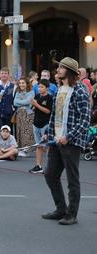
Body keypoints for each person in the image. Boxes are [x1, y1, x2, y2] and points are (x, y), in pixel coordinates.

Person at [42, 57, 90, 225]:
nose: (58, 70)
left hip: (71, 142)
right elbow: (55, 115)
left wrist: (68, 136)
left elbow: (85, 120)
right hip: (56, 140)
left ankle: (72, 214)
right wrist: (48, 133)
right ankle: (61, 209)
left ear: (68, 71)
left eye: (61, 68)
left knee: (72, 180)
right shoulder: (59, 89)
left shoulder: (80, 91)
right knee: (50, 174)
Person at [30, 79, 52, 174]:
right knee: (38, 145)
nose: (39, 88)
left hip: (45, 125)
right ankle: (38, 166)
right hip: (36, 124)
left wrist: (37, 105)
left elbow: (48, 111)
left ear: (47, 88)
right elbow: (35, 108)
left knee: (47, 146)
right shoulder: (37, 96)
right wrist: (33, 106)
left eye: (42, 87)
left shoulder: (50, 98)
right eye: (39, 87)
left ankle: (50, 167)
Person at [13, 77, 35, 152]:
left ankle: (27, 148)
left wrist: (20, 101)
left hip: (28, 114)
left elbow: (28, 102)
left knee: (27, 131)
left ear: (27, 84)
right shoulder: (18, 92)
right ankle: (21, 148)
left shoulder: (31, 92)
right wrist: (23, 101)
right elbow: (14, 102)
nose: (21, 84)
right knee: (19, 131)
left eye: (23, 83)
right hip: (19, 114)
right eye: (20, 83)